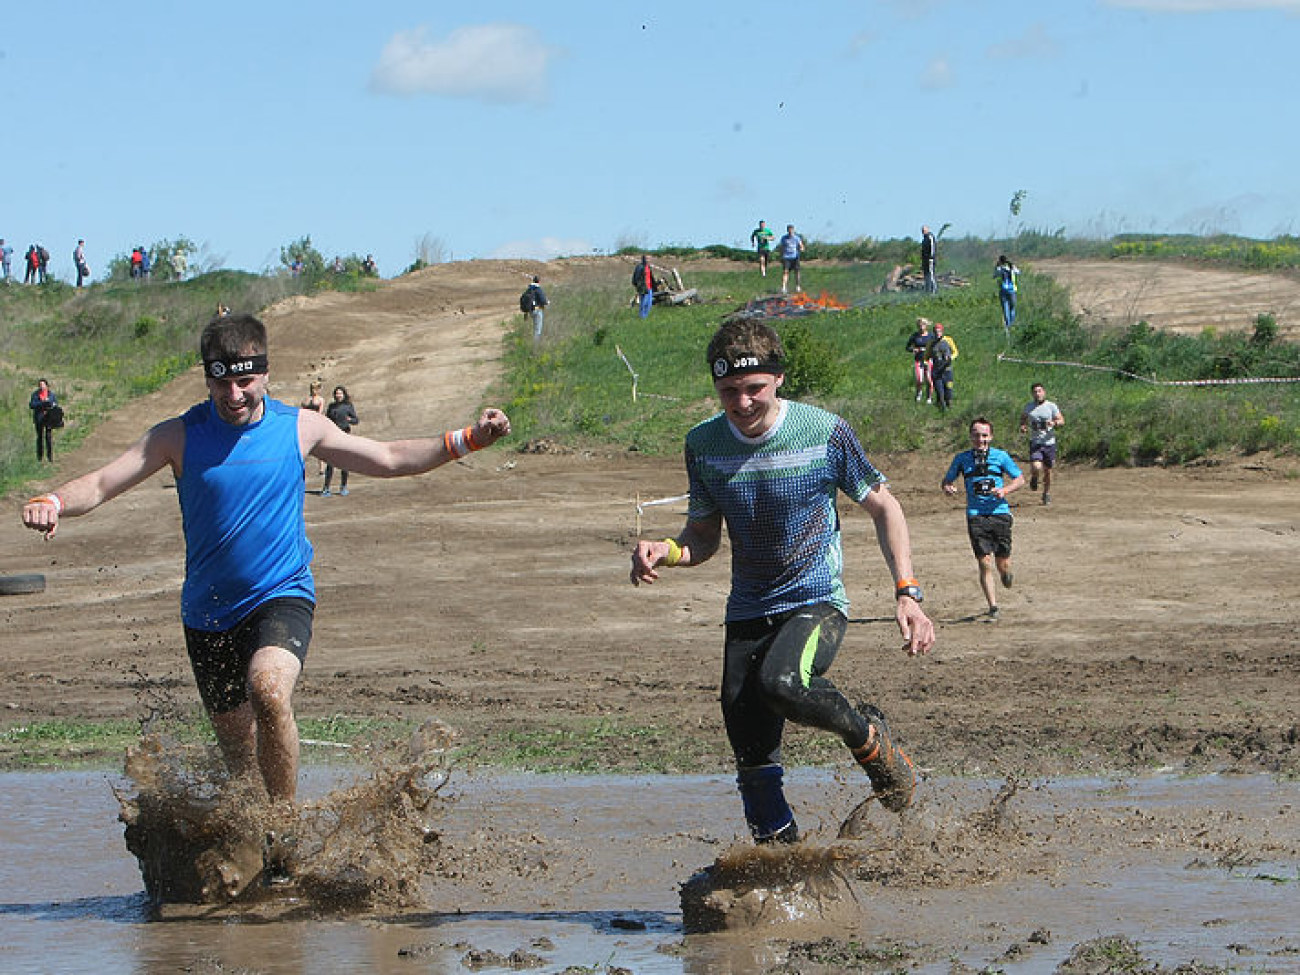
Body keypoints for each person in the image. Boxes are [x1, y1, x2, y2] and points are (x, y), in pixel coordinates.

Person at [21, 312, 511, 809]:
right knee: (240, 761)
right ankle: (249, 837)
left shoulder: (300, 428)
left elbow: (386, 457)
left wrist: (467, 439)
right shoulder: (178, 436)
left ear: (266, 374)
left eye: (245, 381)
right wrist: (54, 501)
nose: (234, 395)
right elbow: (104, 482)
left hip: (281, 595)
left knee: (270, 692)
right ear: (207, 378)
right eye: (222, 383)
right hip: (207, 614)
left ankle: (283, 826)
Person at [629, 318, 935, 845]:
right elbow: (703, 536)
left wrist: (907, 592)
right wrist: (669, 550)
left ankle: (870, 741)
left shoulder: (824, 432)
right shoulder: (702, 444)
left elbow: (884, 505)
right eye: (729, 392)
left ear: (778, 380)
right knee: (750, 752)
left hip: (815, 600)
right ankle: (782, 868)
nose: (742, 404)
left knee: (782, 683)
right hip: (747, 608)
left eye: (754, 390)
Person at [941, 417, 1025, 618]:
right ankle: (993, 606)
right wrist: (948, 487)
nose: (981, 439)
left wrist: (1005, 490)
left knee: (1002, 562)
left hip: (1000, 514)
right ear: (971, 436)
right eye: (977, 435)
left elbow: (1020, 479)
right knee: (984, 561)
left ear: (991, 436)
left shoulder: (1001, 456)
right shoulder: (962, 459)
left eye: (985, 435)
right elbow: (946, 480)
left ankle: (1005, 574)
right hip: (976, 515)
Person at [1020, 382, 1064, 505]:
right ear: (1032, 394)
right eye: (1035, 392)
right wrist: (1023, 426)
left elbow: (1061, 420)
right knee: (1036, 466)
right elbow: (1023, 418)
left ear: (1044, 392)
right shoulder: (1029, 407)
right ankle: (1034, 477)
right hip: (1036, 442)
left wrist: (1054, 423)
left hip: (1049, 443)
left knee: (1048, 471)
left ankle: (1046, 493)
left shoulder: (1051, 406)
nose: (1037, 394)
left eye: (1039, 391)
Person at [321, 385, 359, 496]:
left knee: (344, 463)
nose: (338, 395)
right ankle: (326, 488)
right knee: (330, 463)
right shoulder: (332, 406)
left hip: (344, 435)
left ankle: (343, 487)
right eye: (337, 393)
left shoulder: (348, 406)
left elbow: (356, 420)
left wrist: (350, 419)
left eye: (340, 393)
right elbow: (327, 420)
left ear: (344, 394)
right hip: (333, 436)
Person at [906, 317, 936, 404]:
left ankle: (929, 398)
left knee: (929, 380)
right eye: (919, 325)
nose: (921, 327)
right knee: (919, 379)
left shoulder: (931, 336)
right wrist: (913, 350)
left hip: (928, 360)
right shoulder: (915, 336)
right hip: (918, 360)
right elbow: (907, 347)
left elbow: (936, 345)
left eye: (923, 325)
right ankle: (919, 393)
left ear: (926, 326)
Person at [928, 322, 957, 410]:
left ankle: (949, 405)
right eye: (936, 332)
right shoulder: (931, 343)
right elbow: (926, 356)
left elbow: (955, 352)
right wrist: (926, 363)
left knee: (948, 390)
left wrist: (951, 358)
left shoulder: (948, 340)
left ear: (942, 332)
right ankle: (941, 408)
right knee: (940, 392)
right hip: (936, 372)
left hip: (947, 370)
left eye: (939, 332)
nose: (938, 334)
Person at [29, 378, 59, 462]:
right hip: (39, 418)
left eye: (43, 385)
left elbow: (55, 404)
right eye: (40, 385)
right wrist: (41, 403)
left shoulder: (51, 394)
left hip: (48, 418)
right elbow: (32, 405)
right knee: (40, 437)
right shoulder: (35, 395)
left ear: (46, 385)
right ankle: (40, 457)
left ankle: (50, 457)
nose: (41, 386)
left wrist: (52, 404)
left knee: (48, 437)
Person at [300, 380, 326, 475]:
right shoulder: (306, 399)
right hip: (307, 422)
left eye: (315, 389)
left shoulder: (320, 400)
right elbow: (302, 409)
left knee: (319, 445)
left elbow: (320, 411)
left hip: (316, 422)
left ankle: (322, 468)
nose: (314, 391)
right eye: (312, 389)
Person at [995, 255, 1020, 331]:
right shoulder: (1011, 267)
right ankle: (1010, 324)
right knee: (1011, 307)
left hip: (1003, 290)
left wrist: (997, 266)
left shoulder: (999, 269)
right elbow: (1018, 272)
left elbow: (994, 275)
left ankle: (1008, 325)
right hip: (1012, 290)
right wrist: (1012, 266)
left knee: (1006, 308)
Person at [777, 224, 804, 294]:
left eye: (791, 230)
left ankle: (798, 286)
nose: (790, 232)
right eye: (789, 230)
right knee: (785, 272)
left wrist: (802, 248)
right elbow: (782, 247)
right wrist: (781, 255)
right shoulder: (784, 238)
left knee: (797, 272)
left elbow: (801, 245)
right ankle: (783, 287)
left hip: (795, 257)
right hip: (786, 257)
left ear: (793, 230)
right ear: (787, 231)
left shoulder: (797, 238)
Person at [521, 275, 549, 341]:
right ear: (539, 281)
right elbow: (543, 300)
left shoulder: (529, 289)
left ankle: (534, 342)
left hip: (531, 311)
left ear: (533, 280)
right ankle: (536, 345)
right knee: (538, 329)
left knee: (535, 327)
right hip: (537, 310)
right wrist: (547, 302)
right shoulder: (538, 289)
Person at [920, 225, 938, 294]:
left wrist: (931, 257)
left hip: (930, 260)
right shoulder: (924, 239)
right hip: (925, 261)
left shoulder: (930, 237)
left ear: (927, 230)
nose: (923, 232)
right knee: (926, 275)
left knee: (931, 274)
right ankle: (928, 291)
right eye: (922, 231)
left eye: (924, 230)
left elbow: (932, 248)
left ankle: (934, 290)